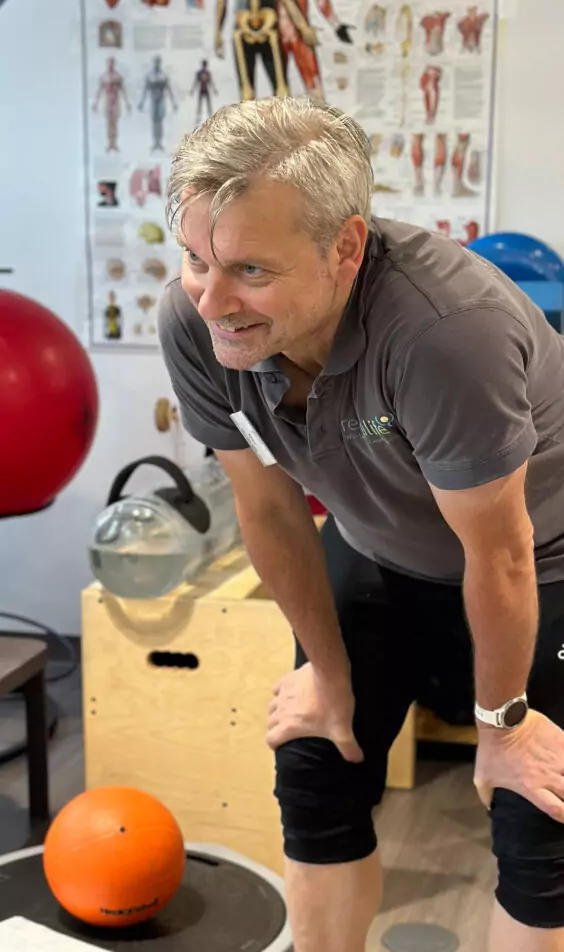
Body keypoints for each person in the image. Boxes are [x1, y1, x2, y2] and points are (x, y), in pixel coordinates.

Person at [158, 96, 564, 952]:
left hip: (544, 560)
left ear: (344, 247)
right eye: (196, 257)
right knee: (316, 756)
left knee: (539, 808)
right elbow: (267, 506)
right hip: (380, 544)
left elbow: (502, 553)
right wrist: (328, 676)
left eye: (249, 271)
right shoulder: (196, 324)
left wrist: (503, 725)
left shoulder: (445, 333)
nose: (211, 298)